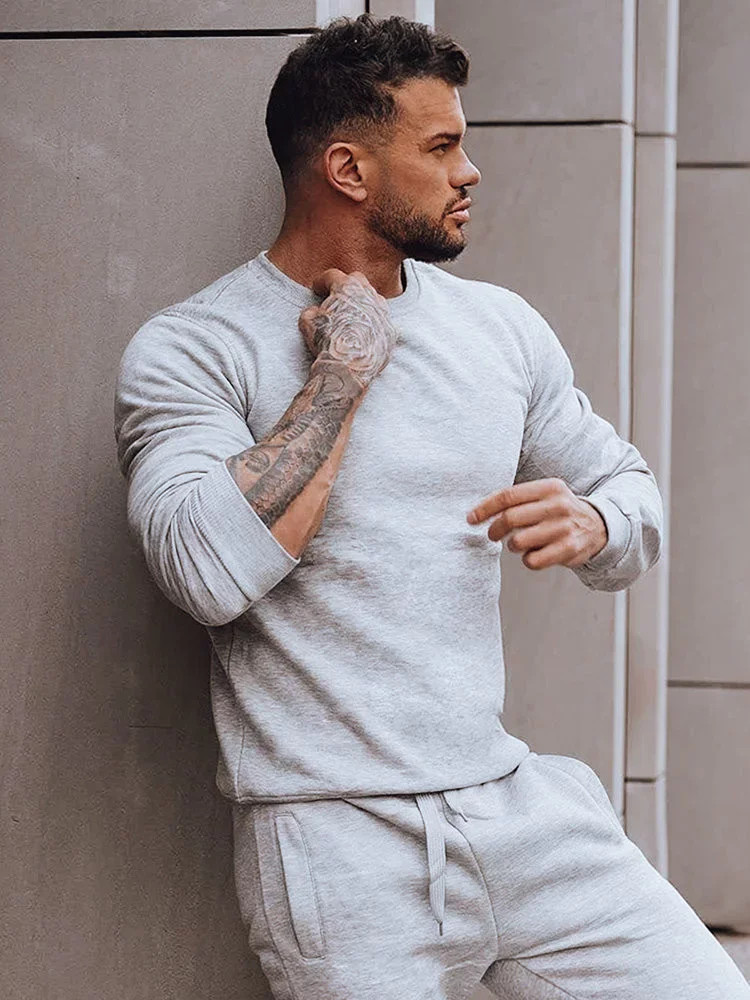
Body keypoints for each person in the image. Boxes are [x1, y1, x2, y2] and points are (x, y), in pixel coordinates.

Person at [113, 13, 750, 1000]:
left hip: (516, 807)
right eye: (443, 146)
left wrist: (598, 524)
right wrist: (342, 376)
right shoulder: (195, 349)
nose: (471, 171)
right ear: (348, 169)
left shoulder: (499, 329)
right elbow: (203, 572)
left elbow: (631, 492)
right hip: (338, 842)